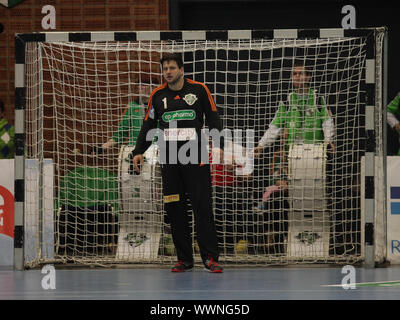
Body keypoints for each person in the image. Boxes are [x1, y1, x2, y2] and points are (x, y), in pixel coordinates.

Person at [131, 53, 224, 273]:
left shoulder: (199, 90)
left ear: (181, 69)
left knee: (202, 208)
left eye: (172, 68)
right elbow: (148, 125)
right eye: (165, 69)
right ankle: (184, 259)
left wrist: (218, 143)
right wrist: (138, 151)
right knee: (175, 208)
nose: (168, 72)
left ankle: (211, 258)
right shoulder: (157, 95)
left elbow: (212, 117)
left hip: (195, 157)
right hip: (170, 159)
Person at [254, 60, 335, 157]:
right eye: (294, 74)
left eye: (301, 74)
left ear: (308, 77)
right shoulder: (286, 100)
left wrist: (328, 141)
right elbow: (275, 127)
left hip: (316, 152)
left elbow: (327, 122)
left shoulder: (318, 98)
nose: (297, 76)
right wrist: (261, 145)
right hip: (293, 153)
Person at [210, 140, 253, 254]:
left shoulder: (236, 153)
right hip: (211, 189)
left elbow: (248, 177)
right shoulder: (201, 153)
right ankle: (205, 241)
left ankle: (240, 239)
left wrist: (234, 168)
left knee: (240, 198)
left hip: (231, 188)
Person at [90, 83, 154, 154]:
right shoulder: (131, 107)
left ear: (153, 87)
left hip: (155, 150)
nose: (140, 87)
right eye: (139, 85)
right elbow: (121, 133)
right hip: (134, 148)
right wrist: (102, 147)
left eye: (144, 84)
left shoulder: (160, 105)